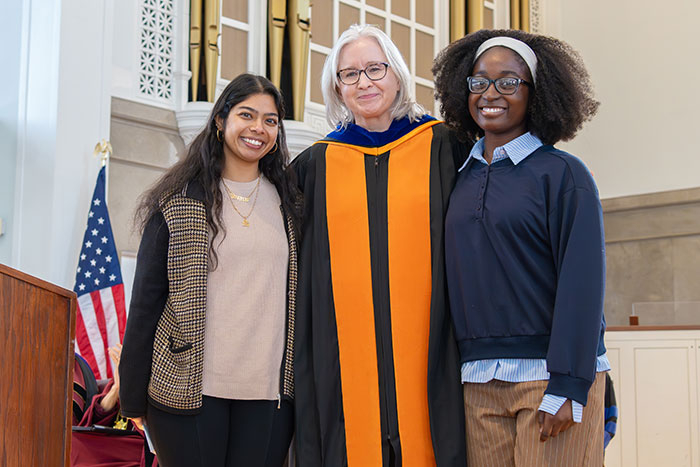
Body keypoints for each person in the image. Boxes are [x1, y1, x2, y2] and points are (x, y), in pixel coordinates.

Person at [293, 24, 467, 467]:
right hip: (343, 371)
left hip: (435, 356)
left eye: (374, 68)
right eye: (349, 74)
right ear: (336, 87)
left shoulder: (444, 147)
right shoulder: (315, 166)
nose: (364, 82)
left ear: (397, 75)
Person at [433, 29, 608, 466]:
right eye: (479, 82)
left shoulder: (563, 174)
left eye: (508, 82)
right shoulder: (457, 177)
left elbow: (582, 284)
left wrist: (569, 383)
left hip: (548, 378)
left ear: (537, 93)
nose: (491, 93)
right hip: (477, 379)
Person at [118, 73, 301, 467]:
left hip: (269, 395)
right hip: (187, 391)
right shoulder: (179, 200)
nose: (258, 129)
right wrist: (131, 394)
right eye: (246, 115)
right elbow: (147, 302)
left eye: (270, 120)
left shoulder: (290, 204)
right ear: (221, 120)